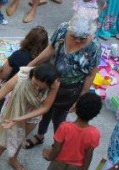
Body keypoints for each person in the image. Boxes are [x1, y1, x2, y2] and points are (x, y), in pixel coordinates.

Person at [24, 14, 102, 150]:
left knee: (59, 117)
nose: (77, 41)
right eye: (74, 37)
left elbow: (91, 74)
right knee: (44, 111)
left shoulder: (94, 47)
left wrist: (81, 96)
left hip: (70, 89)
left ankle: (57, 143)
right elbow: (50, 49)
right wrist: (31, 64)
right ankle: (40, 136)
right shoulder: (62, 29)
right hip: (51, 81)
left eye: (82, 39)